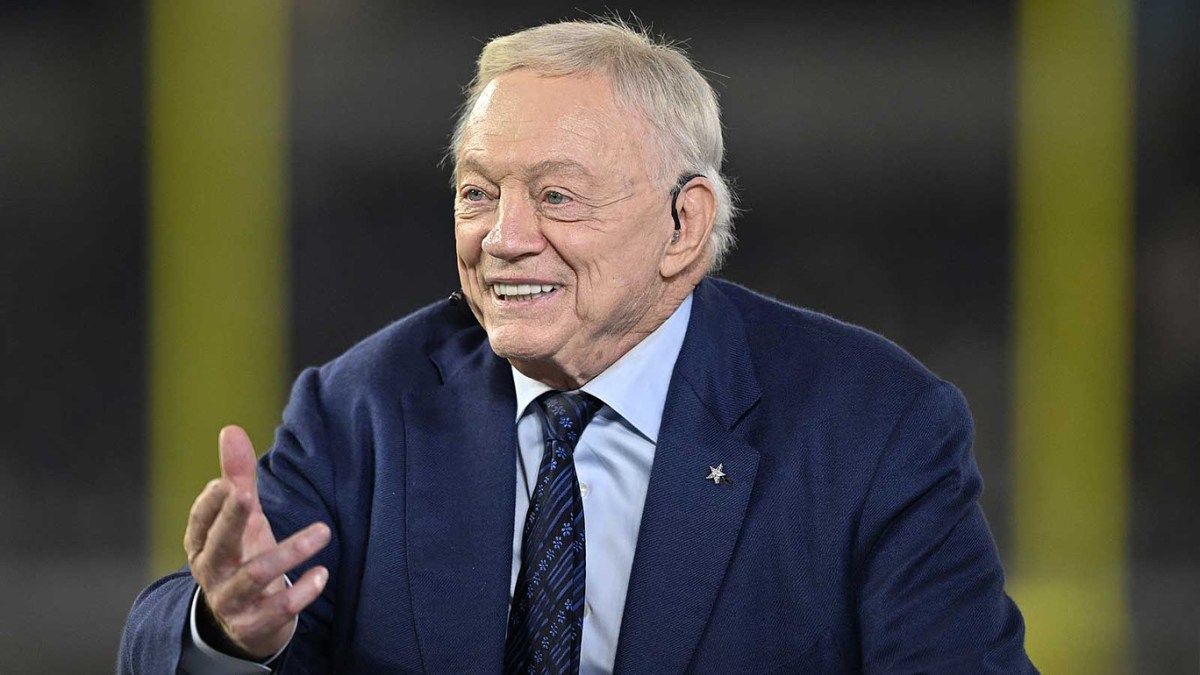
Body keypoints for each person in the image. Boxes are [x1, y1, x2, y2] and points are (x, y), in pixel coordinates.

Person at [119, 19, 1036, 674]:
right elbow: (177, 634)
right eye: (478, 194)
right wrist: (228, 632)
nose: (503, 236)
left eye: (557, 197)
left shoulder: (871, 424)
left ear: (685, 224)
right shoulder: (365, 407)